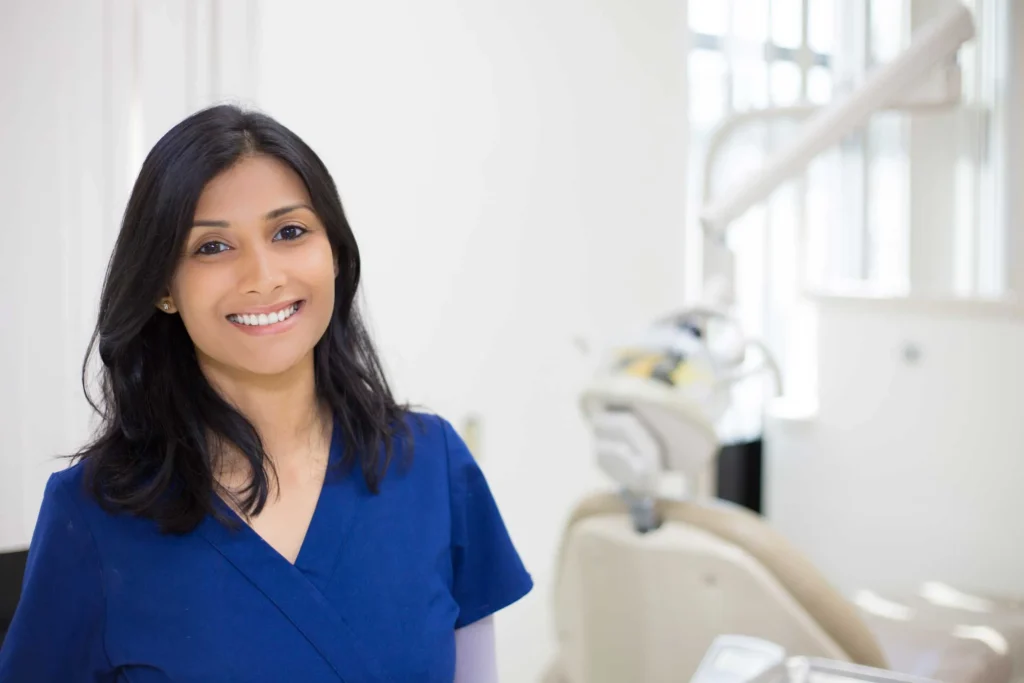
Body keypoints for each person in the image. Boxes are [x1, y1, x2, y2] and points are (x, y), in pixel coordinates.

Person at [0, 104, 532, 682]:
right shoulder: (91, 514)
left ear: (335, 254)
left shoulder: (433, 466)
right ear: (162, 288)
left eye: (290, 232)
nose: (262, 275)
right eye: (211, 247)